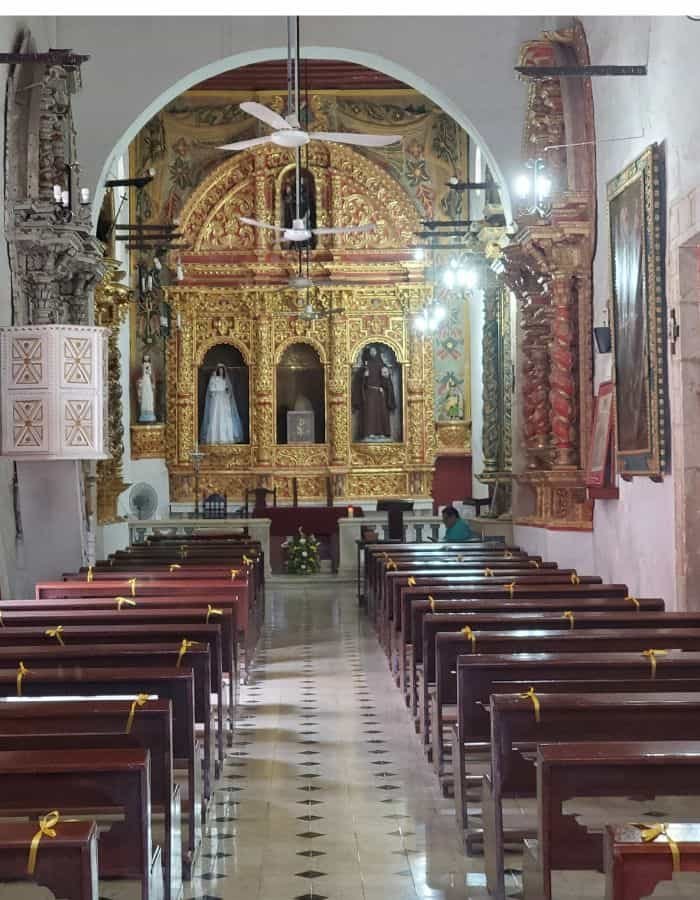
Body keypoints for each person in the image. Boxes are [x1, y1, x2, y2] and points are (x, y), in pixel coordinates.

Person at [352, 345, 396, 441]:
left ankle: (382, 433)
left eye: (374, 350)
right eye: (371, 351)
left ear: (377, 352)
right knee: (369, 412)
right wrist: (364, 376)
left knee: (382, 413)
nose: (372, 352)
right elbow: (359, 381)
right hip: (369, 393)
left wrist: (385, 376)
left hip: (380, 393)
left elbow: (387, 382)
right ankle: (369, 433)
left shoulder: (382, 366)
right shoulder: (365, 366)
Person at [200, 363, 244, 444]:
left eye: (222, 369)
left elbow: (229, 391)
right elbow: (211, 389)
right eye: (219, 369)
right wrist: (218, 391)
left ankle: (226, 438)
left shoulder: (225, 379)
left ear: (223, 371)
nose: (220, 371)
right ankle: (215, 438)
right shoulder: (213, 378)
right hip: (216, 400)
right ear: (217, 370)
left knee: (225, 417)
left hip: (224, 400)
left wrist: (227, 392)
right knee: (215, 416)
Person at [137, 355, 156, 423]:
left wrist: (152, 382)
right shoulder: (143, 365)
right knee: (144, 396)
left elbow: (150, 374)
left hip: (147, 381)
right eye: (145, 357)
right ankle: (144, 413)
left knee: (149, 396)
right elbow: (143, 374)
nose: (146, 358)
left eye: (147, 357)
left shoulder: (149, 365)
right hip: (145, 381)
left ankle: (149, 413)